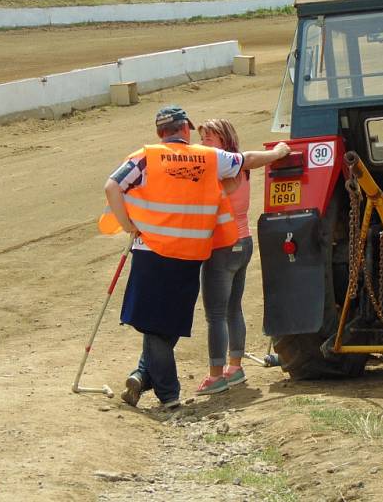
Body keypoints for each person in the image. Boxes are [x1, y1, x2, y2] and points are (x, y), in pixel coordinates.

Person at [104, 105, 289, 410]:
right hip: (191, 253)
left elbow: (112, 185)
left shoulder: (145, 156)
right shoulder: (206, 157)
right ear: (185, 129)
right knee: (168, 323)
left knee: (154, 325)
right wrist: (279, 152)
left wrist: (128, 225)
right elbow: (248, 160)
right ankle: (143, 374)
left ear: (159, 132)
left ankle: (168, 394)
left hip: (152, 251)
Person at [195, 119, 254, 395]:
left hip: (222, 244)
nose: (204, 142)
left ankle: (216, 375)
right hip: (243, 240)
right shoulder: (242, 168)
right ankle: (235, 366)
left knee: (215, 314)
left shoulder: (218, 171)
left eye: (210, 138)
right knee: (234, 308)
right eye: (202, 137)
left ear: (224, 141)